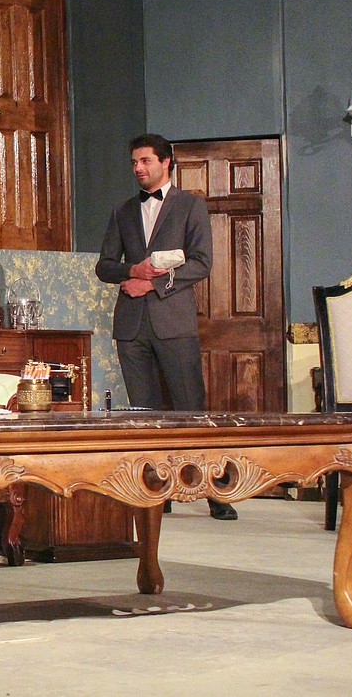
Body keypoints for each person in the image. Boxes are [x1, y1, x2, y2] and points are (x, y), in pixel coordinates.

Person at [95, 133, 237, 521]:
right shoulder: (123, 211)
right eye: (134, 163)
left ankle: (214, 491)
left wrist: (153, 282)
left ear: (166, 162)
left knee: (191, 408)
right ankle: (158, 491)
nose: (139, 168)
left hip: (173, 322)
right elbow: (104, 265)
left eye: (145, 161)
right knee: (145, 413)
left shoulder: (190, 206)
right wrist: (131, 270)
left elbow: (202, 263)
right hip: (131, 326)